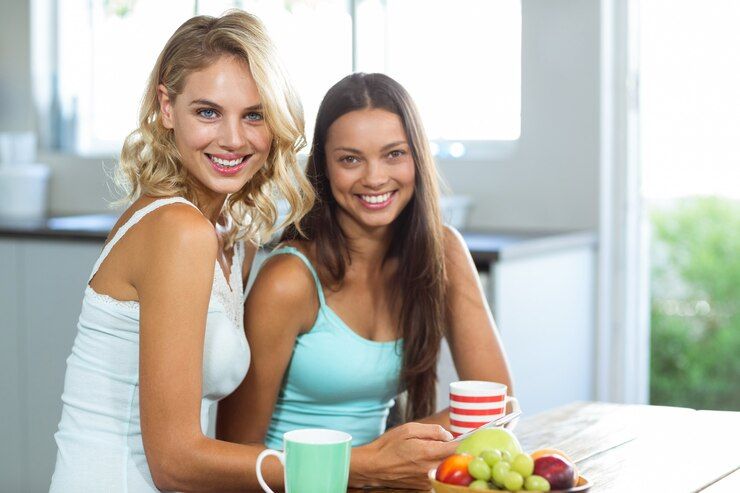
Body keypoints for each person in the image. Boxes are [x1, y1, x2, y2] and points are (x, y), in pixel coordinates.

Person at [49, 11, 314, 492]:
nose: (234, 139)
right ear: (167, 108)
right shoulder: (179, 229)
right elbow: (174, 464)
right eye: (208, 112)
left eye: (254, 114)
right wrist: (355, 464)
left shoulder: (232, 233)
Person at [217, 72, 514, 489]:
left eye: (394, 154)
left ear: (418, 159)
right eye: (350, 159)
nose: (375, 178)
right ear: (324, 169)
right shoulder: (289, 280)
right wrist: (374, 461)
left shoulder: (443, 252)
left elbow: (498, 405)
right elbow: (235, 455)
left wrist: (392, 458)